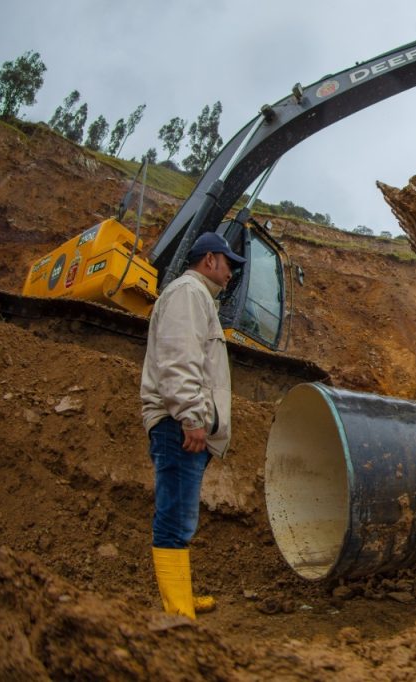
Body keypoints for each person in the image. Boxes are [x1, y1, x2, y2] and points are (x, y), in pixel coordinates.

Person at [140, 232, 246, 619]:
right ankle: (177, 612)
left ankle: (179, 596)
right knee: (175, 516)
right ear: (210, 260)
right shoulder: (188, 293)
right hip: (178, 424)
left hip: (181, 422)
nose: (231, 273)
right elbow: (178, 360)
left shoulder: (197, 296)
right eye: (228, 264)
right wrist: (192, 417)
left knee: (181, 514)